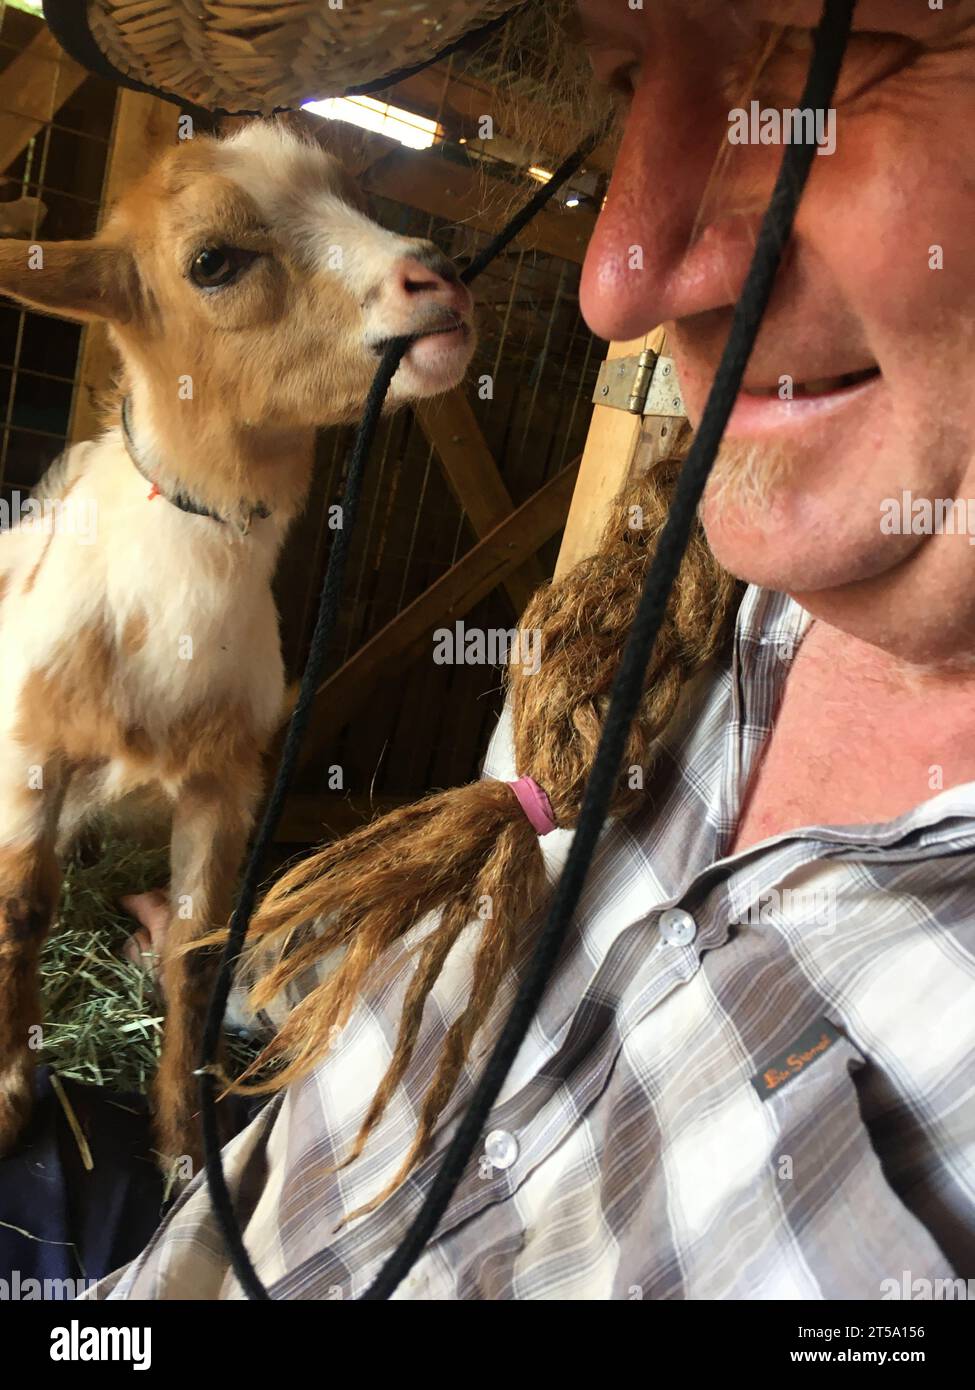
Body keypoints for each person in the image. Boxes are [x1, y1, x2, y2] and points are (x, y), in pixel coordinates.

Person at [84, 0, 975, 1299]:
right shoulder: (624, 636)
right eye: (623, 88)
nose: (615, 283)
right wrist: (273, 988)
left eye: (831, 59)